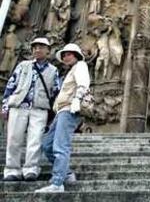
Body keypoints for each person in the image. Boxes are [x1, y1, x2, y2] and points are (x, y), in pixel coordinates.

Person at [2, 37, 60, 181]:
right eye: (35, 47)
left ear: (48, 50)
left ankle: (31, 168)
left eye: (41, 47)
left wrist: (54, 112)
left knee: (35, 139)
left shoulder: (53, 70)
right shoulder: (23, 65)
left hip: (39, 108)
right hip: (18, 105)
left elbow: (56, 92)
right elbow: (11, 84)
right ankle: (12, 169)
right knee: (14, 138)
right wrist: (5, 105)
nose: (37, 50)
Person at [35, 43, 90, 193]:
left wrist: (77, 99)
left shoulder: (81, 66)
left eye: (69, 54)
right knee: (47, 145)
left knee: (61, 146)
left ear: (76, 55)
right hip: (61, 111)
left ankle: (57, 182)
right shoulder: (70, 71)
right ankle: (66, 174)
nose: (66, 57)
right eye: (64, 55)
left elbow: (84, 84)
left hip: (69, 110)